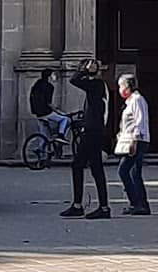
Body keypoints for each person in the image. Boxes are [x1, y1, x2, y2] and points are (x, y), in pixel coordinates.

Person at [60, 58, 110, 220]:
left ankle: (95, 207)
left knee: (87, 167)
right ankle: (87, 205)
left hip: (93, 132)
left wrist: (84, 70)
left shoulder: (96, 85)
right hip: (92, 130)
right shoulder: (96, 86)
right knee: (86, 167)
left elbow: (74, 80)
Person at [114, 73, 151, 216]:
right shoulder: (131, 101)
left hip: (137, 141)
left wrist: (134, 141)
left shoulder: (137, 100)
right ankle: (140, 204)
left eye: (120, 86)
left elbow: (139, 121)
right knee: (134, 172)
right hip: (133, 139)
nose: (119, 90)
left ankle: (137, 202)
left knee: (124, 171)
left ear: (127, 87)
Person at [29, 68, 72, 143]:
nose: (55, 76)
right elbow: (49, 103)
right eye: (53, 75)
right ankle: (60, 135)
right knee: (65, 119)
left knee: (45, 137)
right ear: (49, 76)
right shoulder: (49, 86)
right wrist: (59, 112)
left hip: (37, 112)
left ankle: (40, 150)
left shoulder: (38, 84)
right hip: (45, 112)